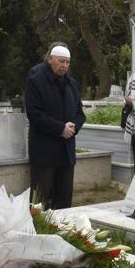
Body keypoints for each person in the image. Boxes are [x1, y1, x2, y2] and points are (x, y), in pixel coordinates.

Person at [25, 45, 86, 209]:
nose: (65, 66)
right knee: (40, 202)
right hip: (44, 151)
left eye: (68, 62)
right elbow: (34, 113)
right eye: (61, 61)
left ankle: (63, 232)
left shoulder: (71, 82)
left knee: (64, 200)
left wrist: (73, 127)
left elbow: (80, 113)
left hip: (66, 151)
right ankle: (37, 233)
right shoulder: (35, 78)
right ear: (50, 59)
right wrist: (60, 129)